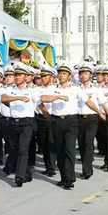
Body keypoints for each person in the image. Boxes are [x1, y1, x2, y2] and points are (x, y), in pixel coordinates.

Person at [40, 62, 81, 190]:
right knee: (59, 150)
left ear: (69, 76)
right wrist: (58, 96)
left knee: (69, 149)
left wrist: (99, 112)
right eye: (60, 73)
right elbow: (44, 98)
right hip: (56, 121)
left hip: (71, 121)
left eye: (64, 73)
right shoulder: (52, 88)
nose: (61, 76)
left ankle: (69, 178)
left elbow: (88, 101)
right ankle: (64, 177)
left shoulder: (75, 89)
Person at [1, 63, 41, 187]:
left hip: (26, 123)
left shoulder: (32, 90)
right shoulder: (10, 89)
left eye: (20, 75)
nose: (17, 77)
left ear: (25, 76)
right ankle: (27, 173)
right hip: (13, 122)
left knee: (23, 149)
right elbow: (3, 99)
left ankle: (19, 176)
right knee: (15, 148)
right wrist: (18, 98)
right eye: (16, 75)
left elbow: (39, 102)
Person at [75, 62, 108, 180]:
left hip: (91, 119)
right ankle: (85, 164)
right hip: (78, 118)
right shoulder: (75, 88)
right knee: (82, 144)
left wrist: (106, 115)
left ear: (90, 75)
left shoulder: (96, 89)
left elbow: (103, 103)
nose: (83, 76)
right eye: (81, 73)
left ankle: (87, 170)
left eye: (86, 73)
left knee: (88, 142)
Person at [35, 65, 58, 177]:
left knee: (51, 143)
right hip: (40, 118)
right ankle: (49, 165)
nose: (43, 78)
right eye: (42, 76)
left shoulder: (55, 89)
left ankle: (51, 167)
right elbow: (37, 103)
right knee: (43, 143)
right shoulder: (38, 89)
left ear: (52, 77)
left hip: (51, 118)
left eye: (46, 76)